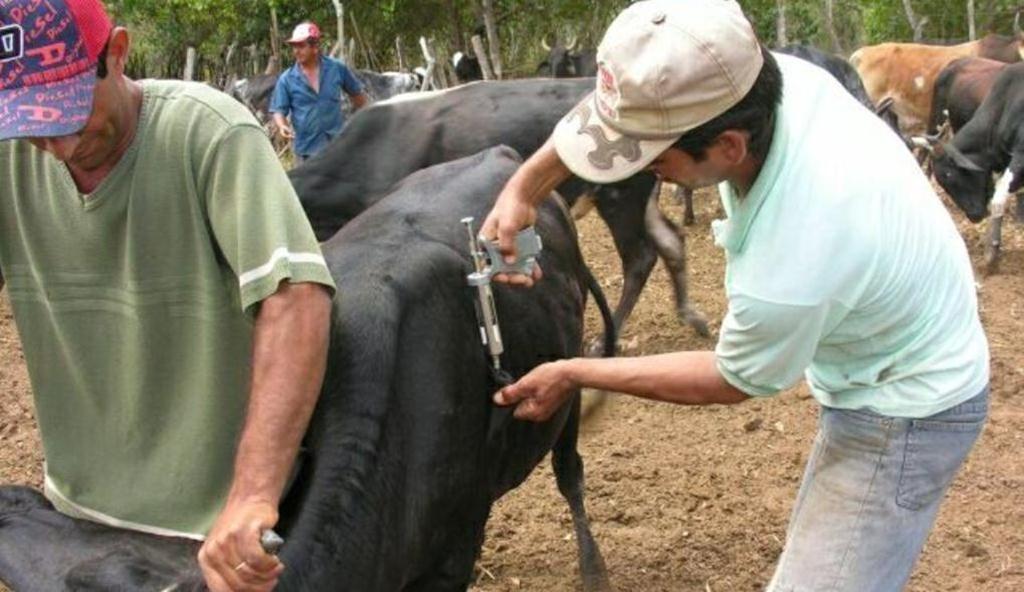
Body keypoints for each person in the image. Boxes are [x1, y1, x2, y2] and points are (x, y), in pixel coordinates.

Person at [481, 1, 990, 590]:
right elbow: (617, 110)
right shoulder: (744, 75)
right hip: (883, 335)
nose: (641, 172)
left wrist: (576, 371)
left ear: (727, 147)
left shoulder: (803, 239)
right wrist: (524, 187)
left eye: (654, 158)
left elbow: (731, 378)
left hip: (906, 406)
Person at [0, 1, 334, 591]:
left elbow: (295, 297)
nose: (55, 144)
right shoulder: (9, 162)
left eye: (69, 114)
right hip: (77, 515)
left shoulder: (209, 133)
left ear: (118, 52)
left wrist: (252, 496)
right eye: (30, 125)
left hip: (211, 525)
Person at [270, 21, 368, 162]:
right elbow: (278, 109)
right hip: (306, 151)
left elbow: (358, 96)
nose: (296, 51)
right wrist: (282, 126)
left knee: (339, 184)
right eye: (294, 47)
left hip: (336, 148)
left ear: (315, 47)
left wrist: (367, 119)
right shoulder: (287, 79)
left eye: (301, 46)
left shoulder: (337, 69)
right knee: (306, 185)